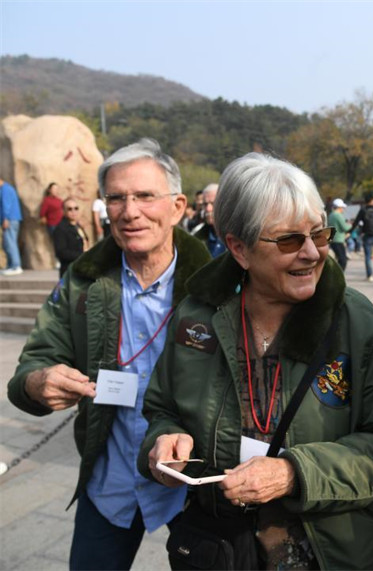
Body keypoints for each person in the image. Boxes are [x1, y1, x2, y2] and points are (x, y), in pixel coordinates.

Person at [138, 153, 373, 570]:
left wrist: (295, 473)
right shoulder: (196, 317)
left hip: (329, 555)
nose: (312, 254)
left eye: (320, 234)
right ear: (238, 248)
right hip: (218, 550)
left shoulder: (359, 325)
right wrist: (164, 440)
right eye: (290, 240)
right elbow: (162, 407)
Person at [6, 138, 211, 570]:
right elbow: (36, 358)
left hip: (194, 484)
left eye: (144, 196)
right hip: (111, 478)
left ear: (176, 207)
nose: (129, 211)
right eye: (116, 198)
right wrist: (37, 382)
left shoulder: (219, 287)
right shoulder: (83, 282)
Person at [52, 197, 90, 277]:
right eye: (70, 209)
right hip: (69, 272)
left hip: (82, 269)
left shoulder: (78, 226)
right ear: (64, 211)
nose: (73, 211)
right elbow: (61, 252)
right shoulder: (61, 229)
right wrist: (82, 255)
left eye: (76, 208)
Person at [190, 183, 226, 257]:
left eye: (213, 203)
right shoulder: (197, 237)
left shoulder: (240, 237)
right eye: (205, 204)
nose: (208, 209)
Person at [0, 177, 23, 275]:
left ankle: (15, 265)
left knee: (10, 242)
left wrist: (6, 218)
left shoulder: (5, 189)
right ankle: (10, 265)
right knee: (7, 243)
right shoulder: (6, 188)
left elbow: (6, 205)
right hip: (11, 219)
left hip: (10, 219)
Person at [328, 197, 351, 270]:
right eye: (342, 207)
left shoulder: (331, 215)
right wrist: (351, 225)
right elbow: (345, 228)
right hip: (339, 240)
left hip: (333, 240)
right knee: (343, 260)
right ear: (339, 207)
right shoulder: (338, 215)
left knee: (338, 259)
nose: (343, 209)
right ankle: (338, 276)